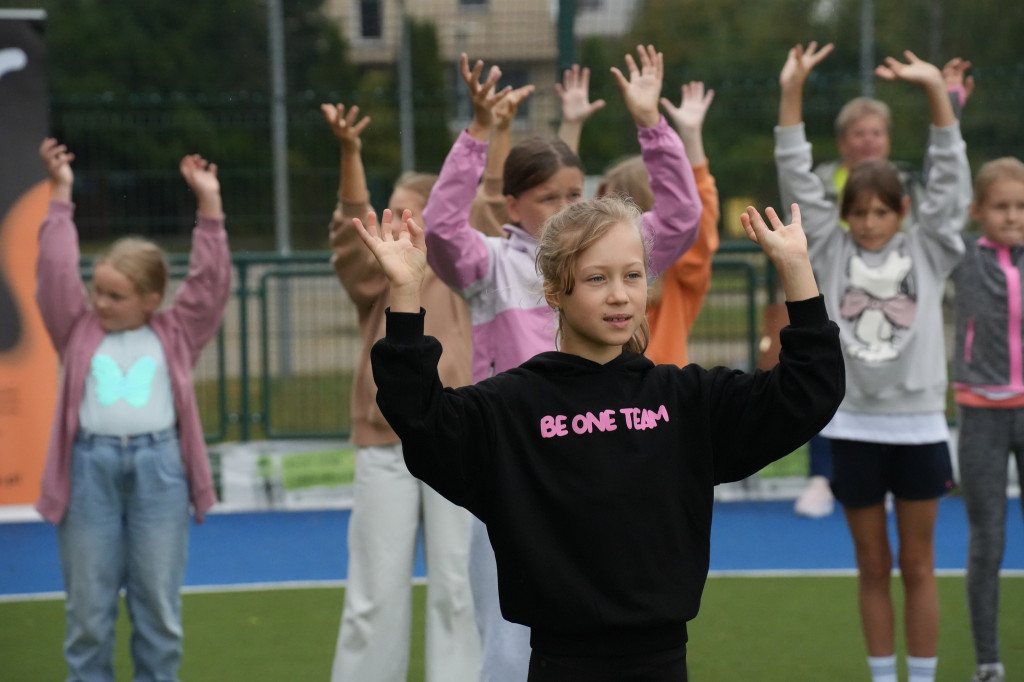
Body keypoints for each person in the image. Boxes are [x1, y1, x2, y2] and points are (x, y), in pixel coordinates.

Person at [352, 197, 843, 681]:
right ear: (553, 292)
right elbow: (420, 417)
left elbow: (807, 392)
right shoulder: (511, 409)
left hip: (662, 662)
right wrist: (405, 292)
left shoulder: (685, 400)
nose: (619, 295)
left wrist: (797, 269)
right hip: (558, 662)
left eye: (632, 276)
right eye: (595, 278)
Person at [422, 45, 702, 681]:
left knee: (602, 626)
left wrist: (651, 124)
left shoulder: (608, 259)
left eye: (576, 194)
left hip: (605, 459)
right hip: (518, 468)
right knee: (508, 634)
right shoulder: (493, 265)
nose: (565, 208)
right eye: (549, 198)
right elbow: (440, 231)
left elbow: (682, 218)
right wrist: (477, 134)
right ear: (512, 203)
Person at [775, 46, 971, 682]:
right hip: (854, 425)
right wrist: (793, 91)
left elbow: (950, 178)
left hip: (916, 425)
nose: (868, 223)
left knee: (918, 564)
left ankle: (922, 675)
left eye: (881, 212)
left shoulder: (931, 247)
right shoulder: (827, 247)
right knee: (870, 564)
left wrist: (935, 93)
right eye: (858, 213)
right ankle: (883, 676)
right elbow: (796, 174)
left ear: (902, 213)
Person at [34, 138, 231, 681]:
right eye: (98, 291)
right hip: (89, 471)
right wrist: (61, 195)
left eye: (115, 296)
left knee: (159, 613)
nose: (100, 303)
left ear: (150, 300)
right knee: (88, 616)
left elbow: (209, 285)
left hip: (159, 473)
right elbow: (54, 275)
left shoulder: (176, 332)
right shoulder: (76, 329)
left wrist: (208, 207)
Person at [321, 102, 481, 682]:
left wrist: (492, 128)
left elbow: (504, 195)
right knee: (373, 596)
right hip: (385, 446)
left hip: (458, 440)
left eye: (412, 210)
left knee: (458, 590)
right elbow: (349, 226)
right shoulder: (376, 273)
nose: (397, 222)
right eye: (391, 210)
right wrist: (350, 154)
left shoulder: (470, 266)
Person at [951, 157, 1024, 682]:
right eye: (1001, 207)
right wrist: (949, 105)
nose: (1014, 216)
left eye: (1021, 207)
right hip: (980, 414)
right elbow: (946, 186)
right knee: (989, 540)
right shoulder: (963, 257)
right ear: (978, 211)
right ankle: (989, 660)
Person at [595, 79, 720, 367]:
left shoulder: (680, 269)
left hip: (661, 402)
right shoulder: (596, 268)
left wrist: (691, 138)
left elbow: (698, 216)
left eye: (614, 206)